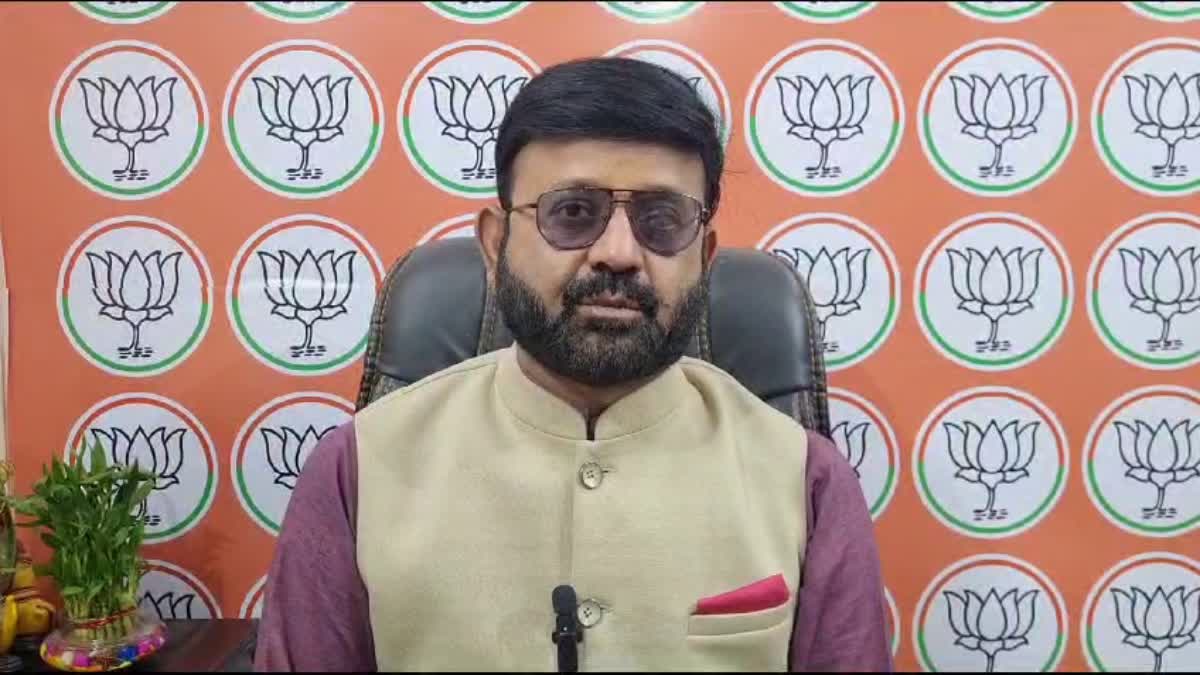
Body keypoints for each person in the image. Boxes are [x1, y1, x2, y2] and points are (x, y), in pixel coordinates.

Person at [254, 57, 892, 672]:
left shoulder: (805, 481)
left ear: (704, 256)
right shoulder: (357, 469)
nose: (619, 253)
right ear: (496, 244)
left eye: (662, 220)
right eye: (573, 213)